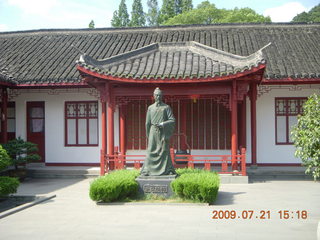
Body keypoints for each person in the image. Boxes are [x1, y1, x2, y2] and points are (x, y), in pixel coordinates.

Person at [141, 87, 176, 176]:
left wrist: (163, 124)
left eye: (160, 95)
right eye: (156, 95)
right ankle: (147, 170)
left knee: (164, 150)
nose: (158, 97)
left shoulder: (166, 107)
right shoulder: (150, 108)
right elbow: (147, 123)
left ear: (162, 96)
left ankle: (167, 169)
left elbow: (172, 120)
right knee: (151, 150)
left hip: (162, 132)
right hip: (153, 131)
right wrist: (149, 134)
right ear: (153, 96)